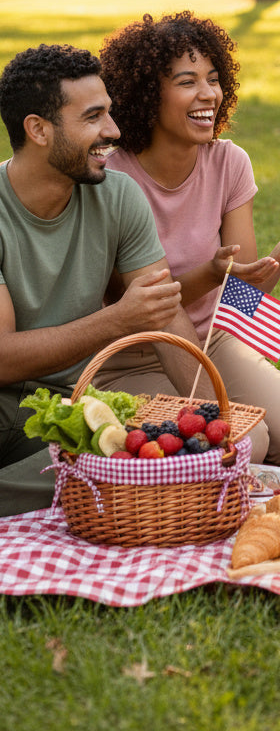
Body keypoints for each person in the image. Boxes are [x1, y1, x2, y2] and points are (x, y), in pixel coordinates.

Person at [99, 11, 280, 466]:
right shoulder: (112, 177)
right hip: (132, 356)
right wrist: (209, 274)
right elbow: (132, 302)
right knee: (247, 443)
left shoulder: (229, 163)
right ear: (146, 94)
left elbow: (240, 295)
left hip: (210, 338)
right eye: (187, 81)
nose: (208, 94)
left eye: (214, 79)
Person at [0, 44, 199, 516]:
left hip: (70, 410)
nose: (113, 131)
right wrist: (115, 321)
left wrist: (210, 420)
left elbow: (163, 312)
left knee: (139, 462)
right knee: (118, 478)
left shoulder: (118, 195)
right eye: (94, 117)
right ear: (38, 130)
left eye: (109, 112)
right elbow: (3, 360)